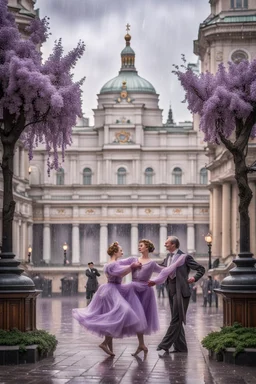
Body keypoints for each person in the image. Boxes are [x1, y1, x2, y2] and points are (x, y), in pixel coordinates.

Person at [72, 242, 147, 357]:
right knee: (124, 311)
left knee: (111, 318)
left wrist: (134, 260)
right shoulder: (112, 265)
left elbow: (124, 263)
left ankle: (110, 347)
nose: (122, 252)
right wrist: (132, 266)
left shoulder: (112, 263)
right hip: (111, 291)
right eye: (120, 250)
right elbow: (120, 272)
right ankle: (104, 343)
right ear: (115, 252)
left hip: (112, 289)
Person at [149, 235, 205, 356]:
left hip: (182, 291)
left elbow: (201, 269)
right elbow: (160, 269)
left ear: (173, 244)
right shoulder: (167, 258)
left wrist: (194, 278)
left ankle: (165, 344)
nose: (165, 245)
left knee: (176, 318)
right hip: (171, 290)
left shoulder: (185, 257)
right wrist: (146, 263)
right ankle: (181, 347)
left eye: (167, 243)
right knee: (177, 318)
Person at [119, 239, 163, 357]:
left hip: (145, 290)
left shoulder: (152, 263)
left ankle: (141, 344)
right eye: (139, 246)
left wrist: (155, 280)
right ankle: (141, 344)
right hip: (133, 289)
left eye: (141, 246)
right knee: (129, 314)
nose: (139, 247)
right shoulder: (133, 260)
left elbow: (163, 271)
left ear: (147, 247)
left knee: (141, 317)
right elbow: (119, 264)